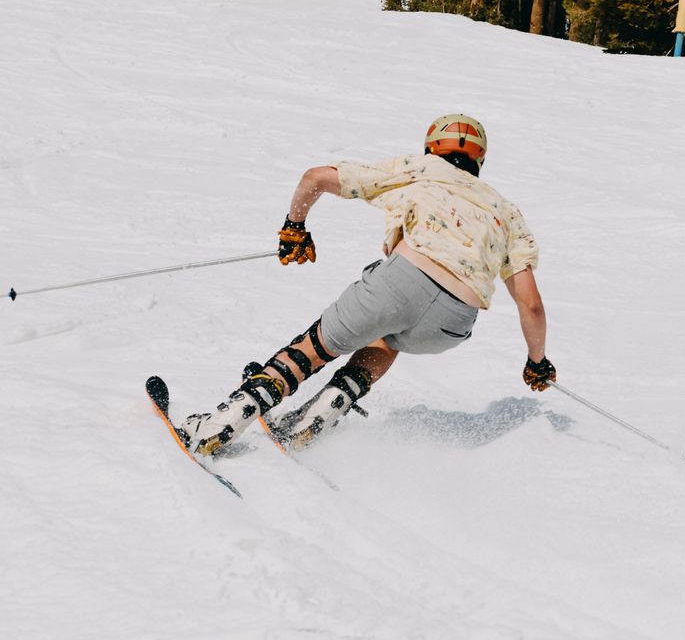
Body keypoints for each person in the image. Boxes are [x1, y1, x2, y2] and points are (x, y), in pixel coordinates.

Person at [179, 114, 555, 454]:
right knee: (388, 337)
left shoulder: (422, 169)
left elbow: (316, 177)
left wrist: (294, 227)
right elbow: (531, 305)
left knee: (316, 347)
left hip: (400, 283)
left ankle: (218, 425)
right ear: (481, 160)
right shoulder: (506, 211)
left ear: (431, 148)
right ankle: (326, 408)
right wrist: (537, 362)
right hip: (452, 324)